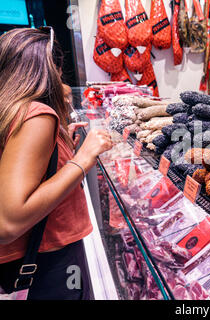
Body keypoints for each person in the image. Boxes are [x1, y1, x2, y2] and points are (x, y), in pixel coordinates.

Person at [0, 27, 112, 299]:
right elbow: (8, 222)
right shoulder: (37, 115)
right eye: (57, 66)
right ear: (46, 67)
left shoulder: (12, 109)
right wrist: (83, 159)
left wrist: (61, 154)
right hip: (50, 261)